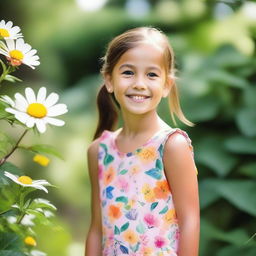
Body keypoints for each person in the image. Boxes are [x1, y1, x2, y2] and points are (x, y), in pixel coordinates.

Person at [85, 27, 200, 256]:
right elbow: (97, 229)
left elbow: (190, 221)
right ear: (109, 80)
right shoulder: (98, 151)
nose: (139, 83)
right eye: (128, 72)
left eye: (152, 75)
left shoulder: (171, 146)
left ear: (166, 85)